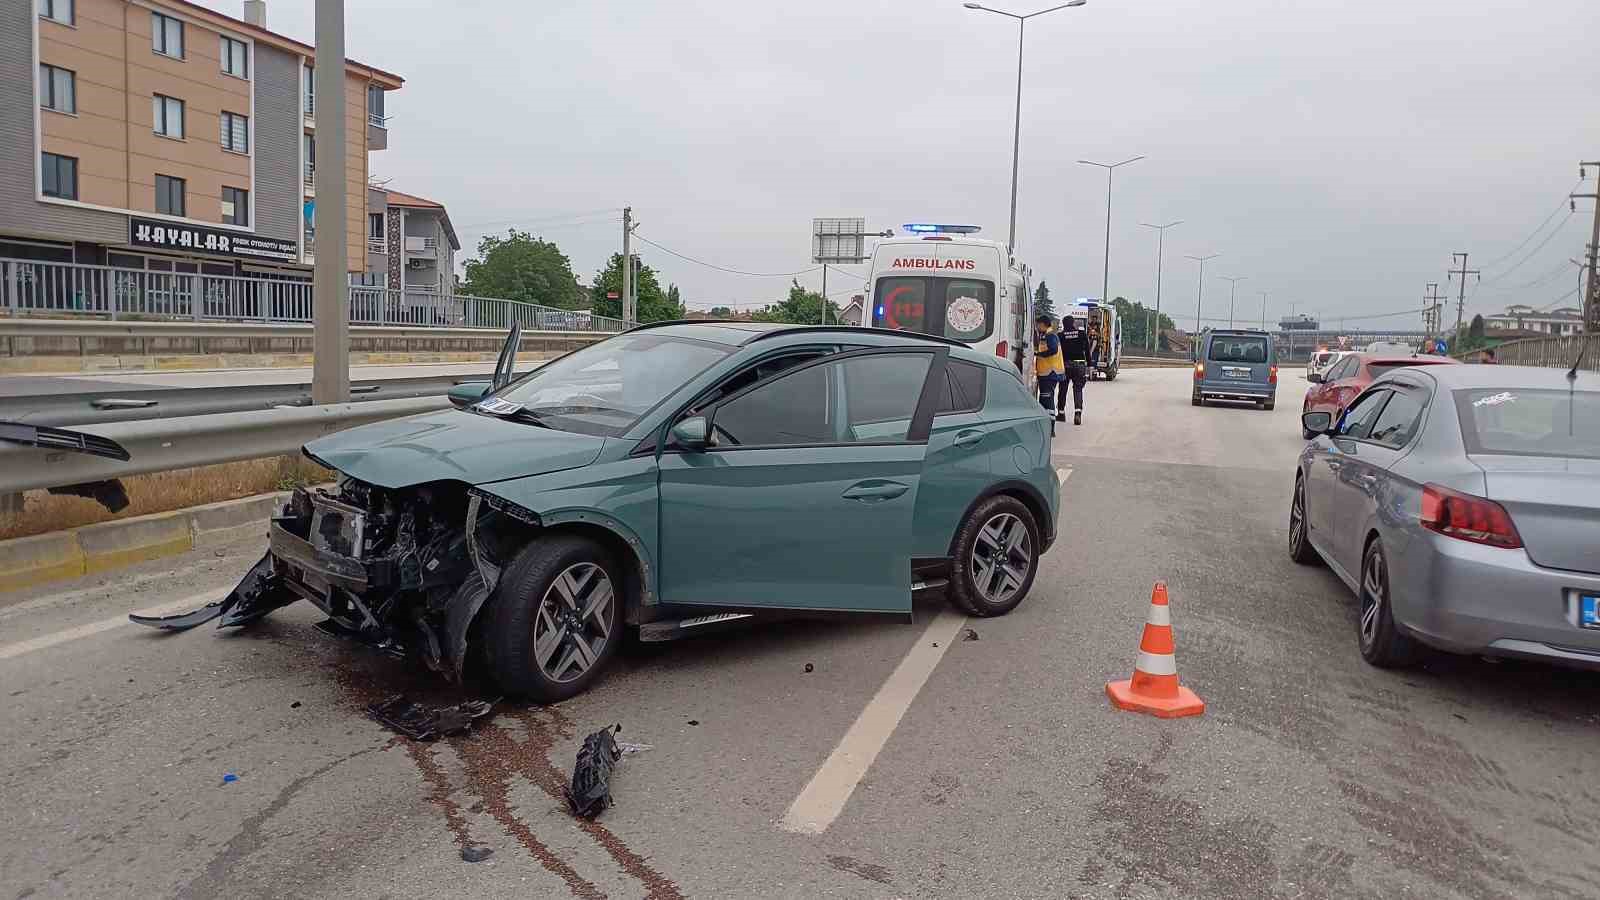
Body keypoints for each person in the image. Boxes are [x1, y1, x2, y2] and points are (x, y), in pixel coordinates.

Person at [1058, 314, 1091, 425]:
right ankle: (1077, 413)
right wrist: (1089, 364)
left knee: (1063, 389)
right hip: (1079, 364)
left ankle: (1061, 413)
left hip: (1065, 365)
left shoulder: (1060, 335)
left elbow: (1058, 353)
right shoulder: (1082, 334)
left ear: (1063, 324)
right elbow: (1087, 350)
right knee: (1078, 389)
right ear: (1073, 323)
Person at [1033, 314, 1065, 420]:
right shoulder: (1046, 335)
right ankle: (1047, 422)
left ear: (1042, 324)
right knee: (1045, 398)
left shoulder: (1050, 335)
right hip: (1047, 373)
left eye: (1038, 325)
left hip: (1050, 373)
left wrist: (1038, 354)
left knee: (1047, 398)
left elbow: (1053, 350)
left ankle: (1050, 424)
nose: (1037, 327)